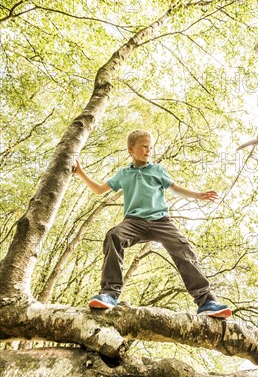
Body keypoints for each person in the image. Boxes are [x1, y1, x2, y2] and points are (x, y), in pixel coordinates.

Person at [72, 129, 232, 318]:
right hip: (133, 222)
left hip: (161, 222)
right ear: (131, 149)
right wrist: (80, 172)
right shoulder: (124, 174)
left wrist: (198, 195)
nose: (149, 150)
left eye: (151, 147)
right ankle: (109, 294)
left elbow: (175, 189)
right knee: (114, 235)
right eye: (144, 147)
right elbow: (99, 189)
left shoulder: (157, 170)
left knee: (183, 248)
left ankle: (206, 301)